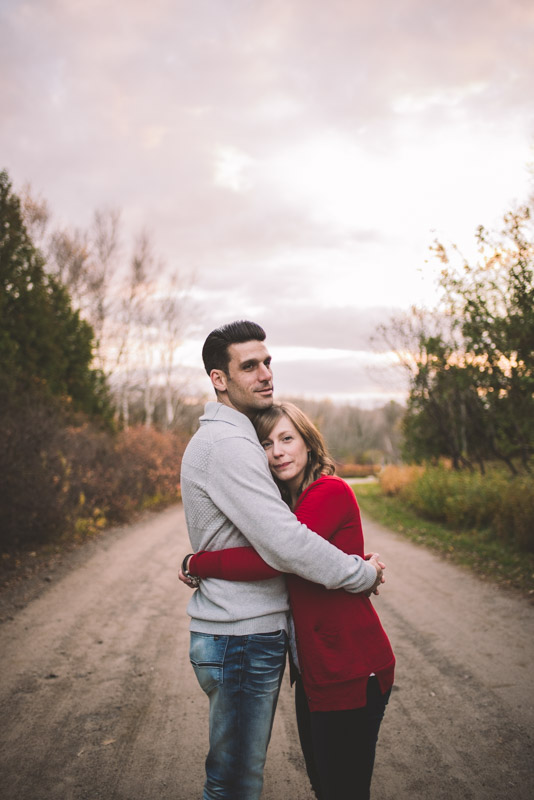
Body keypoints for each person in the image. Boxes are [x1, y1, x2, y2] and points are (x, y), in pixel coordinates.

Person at [180, 320, 384, 800]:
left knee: (238, 781)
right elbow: (284, 546)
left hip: (240, 636)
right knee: (234, 785)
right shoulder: (231, 444)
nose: (264, 373)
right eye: (248, 366)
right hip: (241, 636)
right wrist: (361, 573)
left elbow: (277, 538)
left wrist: (197, 563)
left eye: (267, 362)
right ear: (219, 378)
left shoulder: (230, 440)